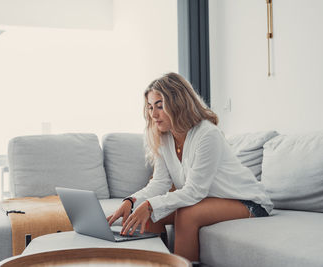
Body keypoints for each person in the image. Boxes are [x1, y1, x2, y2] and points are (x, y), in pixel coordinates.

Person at [106, 72, 273, 265]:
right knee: (150, 214)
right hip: (210, 199)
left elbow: (195, 191)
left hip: (247, 201)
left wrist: (151, 204)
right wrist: (132, 201)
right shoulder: (164, 137)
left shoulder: (207, 134)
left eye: (160, 106)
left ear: (178, 103)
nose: (153, 114)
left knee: (186, 214)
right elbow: (160, 183)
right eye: (150, 107)